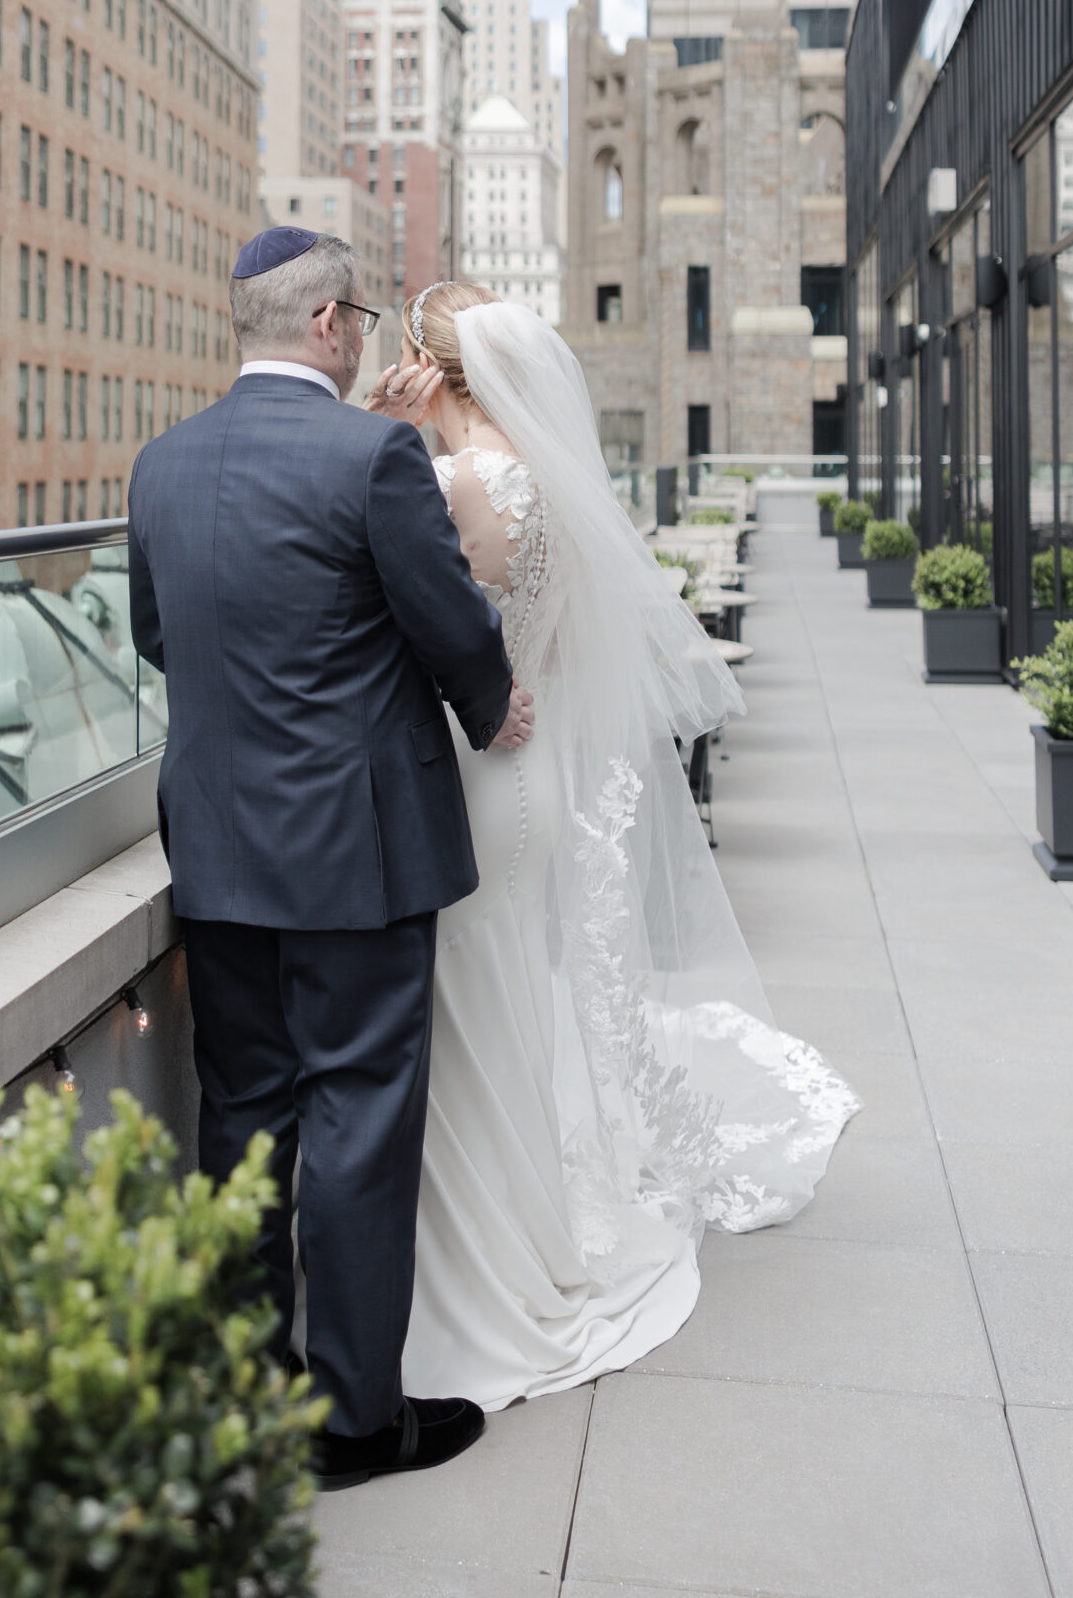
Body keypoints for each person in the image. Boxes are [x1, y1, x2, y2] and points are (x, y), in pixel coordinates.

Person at [368, 281, 861, 1410]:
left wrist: (389, 440)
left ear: (429, 371)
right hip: (522, 768)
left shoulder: (453, 480)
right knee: (496, 1011)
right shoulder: (529, 477)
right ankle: (516, 1223)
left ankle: (485, 1262)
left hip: (474, 779)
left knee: (466, 1026)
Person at [127, 227, 534, 1491]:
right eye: (357, 315)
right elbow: (448, 617)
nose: (363, 335)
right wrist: (490, 704)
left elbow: (157, 636)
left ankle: (253, 1387)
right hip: (356, 852)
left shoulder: (161, 463)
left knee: (243, 1116)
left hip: (219, 844)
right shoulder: (371, 455)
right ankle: (357, 1419)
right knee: (361, 1115)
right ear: (323, 324)